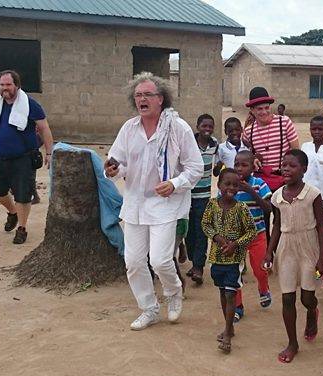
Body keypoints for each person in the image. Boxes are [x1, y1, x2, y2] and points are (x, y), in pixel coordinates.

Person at [104, 72, 203, 331]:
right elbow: (119, 162)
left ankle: (173, 293)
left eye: (148, 94)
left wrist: (174, 183)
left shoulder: (178, 128)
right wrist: (114, 169)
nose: (142, 99)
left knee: (159, 260)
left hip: (165, 204)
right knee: (134, 262)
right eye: (138, 95)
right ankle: (149, 308)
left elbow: (195, 167)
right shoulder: (129, 128)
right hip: (135, 203)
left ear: (161, 99)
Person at [265, 149, 323, 363]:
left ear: (304, 169)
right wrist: (268, 251)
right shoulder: (276, 196)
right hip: (286, 247)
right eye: (284, 165)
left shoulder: (312, 194)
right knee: (288, 296)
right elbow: (275, 227)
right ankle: (292, 343)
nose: (286, 168)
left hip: (308, 245)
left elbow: (321, 225)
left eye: (292, 166)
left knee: (307, 297)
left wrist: (322, 257)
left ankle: (312, 311)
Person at [0, 70, 54, 245]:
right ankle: (12, 212)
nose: (5, 88)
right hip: (0, 156)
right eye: (2, 85)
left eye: (8, 84)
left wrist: (49, 153)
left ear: (17, 85)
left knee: (23, 194)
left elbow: (44, 128)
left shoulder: (30, 105)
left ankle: (22, 228)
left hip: (23, 158)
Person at [201, 169, 258, 354]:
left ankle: (227, 332)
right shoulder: (212, 205)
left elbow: (251, 231)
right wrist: (217, 237)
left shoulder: (241, 208)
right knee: (222, 291)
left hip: (234, 259)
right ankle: (229, 327)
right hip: (216, 257)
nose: (231, 188)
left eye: (235, 185)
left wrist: (235, 244)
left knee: (231, 294)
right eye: (227, 184)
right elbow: (205, 225)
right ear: (219, 186)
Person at [229, 150, 274, 320]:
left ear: (252, 166)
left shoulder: (259, 183)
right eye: (236, 164)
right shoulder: (230, 184)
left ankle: (263, 288)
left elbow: (268, 208)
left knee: (260, 270)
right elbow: (221, 205)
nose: (239, 168)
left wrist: (251, 191)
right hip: (235, 238)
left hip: (257, 235)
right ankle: (238, 307)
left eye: (244, 165)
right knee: (235, 272)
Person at [243, 87, 300, 192]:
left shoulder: (284, 122)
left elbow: (297, 153)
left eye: (267, 108)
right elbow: (246, 158)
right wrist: (253, 159)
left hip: (285, 180)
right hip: (262, 184)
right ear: (252, 110)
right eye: (259, 109)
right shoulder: (248, 132)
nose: (264, 112)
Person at [185, 114, 218, 286]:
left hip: (204, 197)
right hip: (187, 195)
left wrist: (219, 168)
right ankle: (192, 260)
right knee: (188, 232)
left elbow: (217, 169)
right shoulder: (189, 144)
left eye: (210, 126)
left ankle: (198, 266)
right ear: (197, 127)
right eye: (204, 126)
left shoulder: (214, 144)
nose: (207, 129)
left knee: (201, 231)